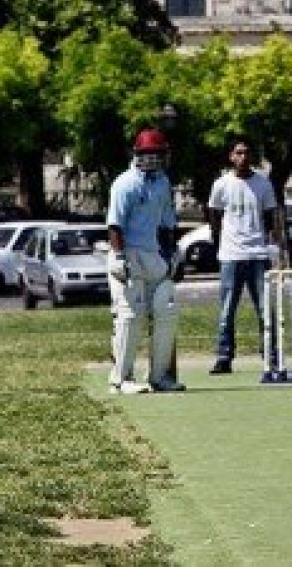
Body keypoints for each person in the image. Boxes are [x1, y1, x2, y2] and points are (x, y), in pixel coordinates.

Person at [106, 127, 184, 394]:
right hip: (127, 254)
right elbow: (115, 225)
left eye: (157, 154)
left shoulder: (163, 183)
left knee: (166, 310)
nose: (152, 159)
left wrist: (173, 253)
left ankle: (159, 377)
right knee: (130, 315)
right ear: (137, 155)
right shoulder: (125, 183)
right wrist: (119, 257)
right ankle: (121, 379)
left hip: (154, 255)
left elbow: (167, 224)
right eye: (147, 154)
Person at [206, 138, 282, 375]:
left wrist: (273, 244)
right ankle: (224, 356)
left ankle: (271, 356)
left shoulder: (263, 183)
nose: (243, 157)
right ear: (231, 156)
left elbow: (270, 216)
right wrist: (220, 242)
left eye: (247, 153)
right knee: (227, 309)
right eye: (238, 153)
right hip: (231, 254)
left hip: (258, 253)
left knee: (265, 308)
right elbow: (214, 215)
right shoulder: (221, 184)